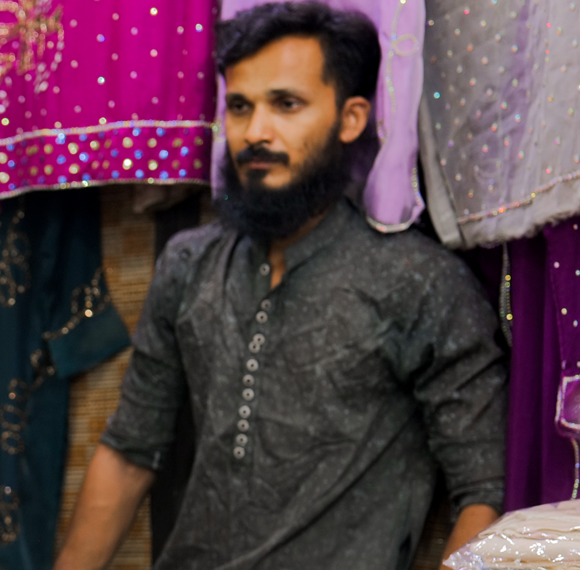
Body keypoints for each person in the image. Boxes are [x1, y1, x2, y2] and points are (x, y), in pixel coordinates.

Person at [54, 3, 507, 569]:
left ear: (351, 118)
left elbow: (485, 493)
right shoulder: (189, 265)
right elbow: (128, 453)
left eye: (286, 105)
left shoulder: (420, 282)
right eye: (240, 107)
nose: (255, 133)